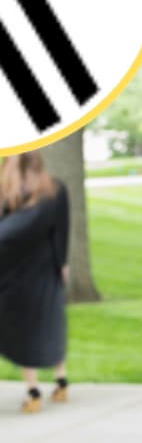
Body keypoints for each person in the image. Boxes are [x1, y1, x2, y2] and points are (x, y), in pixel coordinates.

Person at [0, 151, 71, 414]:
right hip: (43, 266)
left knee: (21, 327)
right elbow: (61, 230)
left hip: (14, 270)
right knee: (50, 322)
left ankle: (33, 390)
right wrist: (62, 263)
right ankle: (60, 380)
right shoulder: (55, 189)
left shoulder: (8, 190)